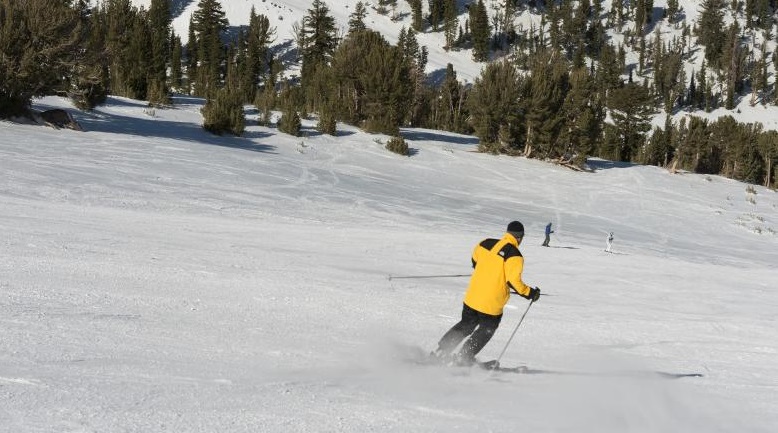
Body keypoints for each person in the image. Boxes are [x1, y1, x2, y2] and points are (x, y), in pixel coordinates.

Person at [433, 221, 540, 366]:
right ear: (520, 237)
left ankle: (442, 351)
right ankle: (464, 357)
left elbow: (475, 260)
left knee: (466, 324)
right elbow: (513, 282)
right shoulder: (514, 255)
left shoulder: (485, 243)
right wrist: (531, 293)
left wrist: (487, 270)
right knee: (486, 330)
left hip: (472, 296)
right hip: (491, 304)